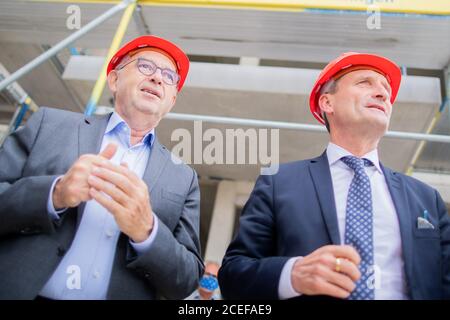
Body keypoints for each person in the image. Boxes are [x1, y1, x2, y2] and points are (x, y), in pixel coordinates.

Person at [218, 52, 450, 300]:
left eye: (386, 88)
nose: (383, 94)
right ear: (327, 103)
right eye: (365, 82)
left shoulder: (427, 198)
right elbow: (233, 275)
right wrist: (293, 275)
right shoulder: (279, 182)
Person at [0, 35, 203, 300]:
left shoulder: (184, 177)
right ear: (114, 80)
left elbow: (187, 280)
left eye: (169, 76)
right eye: (145, 66)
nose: (157, 78)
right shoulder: (48, 124)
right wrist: (54, 193)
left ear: (172, 100)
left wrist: (147, 232)